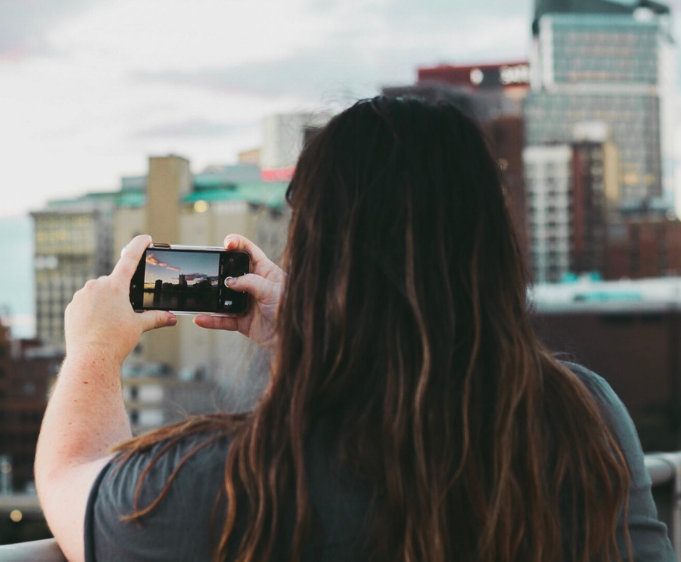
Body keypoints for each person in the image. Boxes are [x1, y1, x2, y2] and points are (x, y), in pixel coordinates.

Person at [35, 97, 674, 562]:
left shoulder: (240, 479)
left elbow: (72, 478)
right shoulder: (584, 415)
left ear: (318, 253)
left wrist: (95, 346)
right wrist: (312, 337)